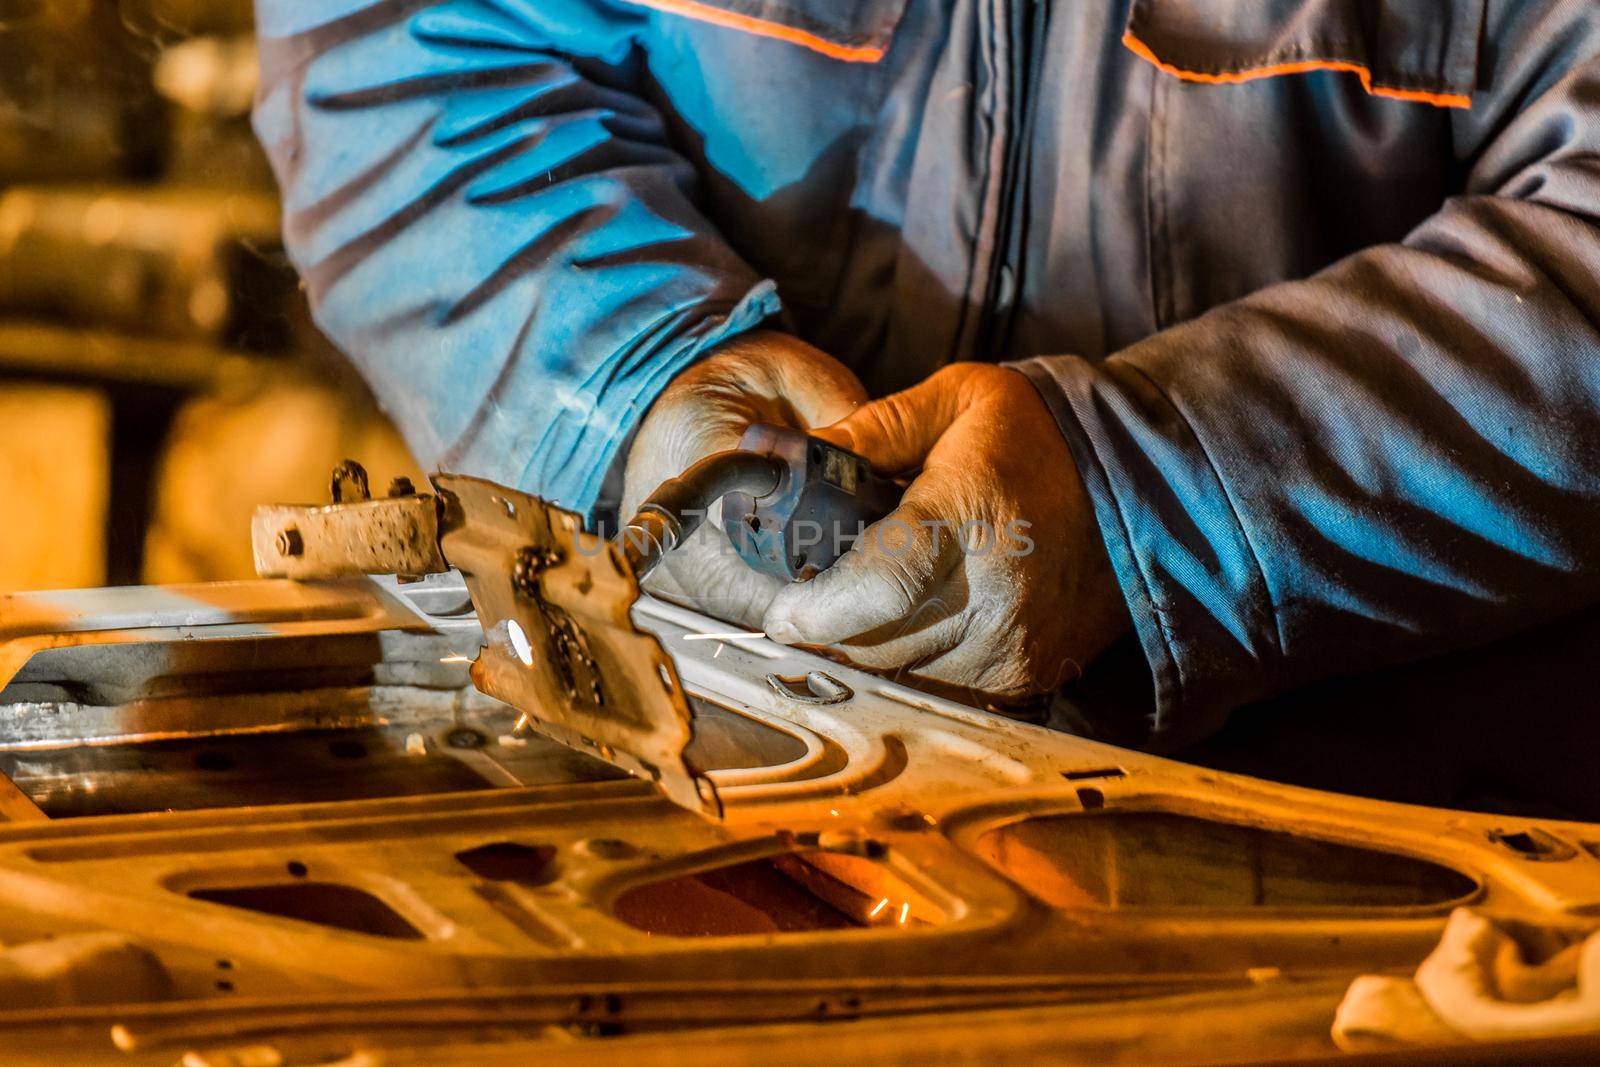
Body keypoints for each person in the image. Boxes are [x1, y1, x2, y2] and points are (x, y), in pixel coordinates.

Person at [253, 0, 1600, 751]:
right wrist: (626, 385)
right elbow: (403, 42)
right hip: (744, 833)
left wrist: (1155, 500)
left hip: (1407, 867)